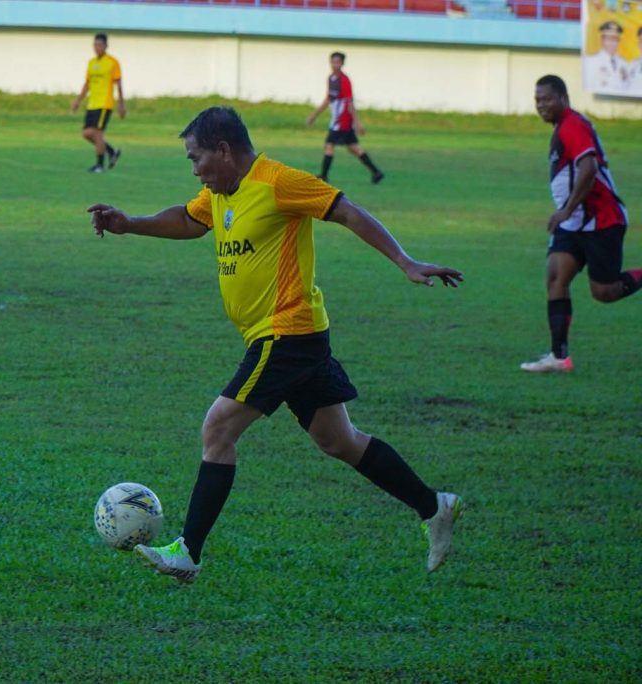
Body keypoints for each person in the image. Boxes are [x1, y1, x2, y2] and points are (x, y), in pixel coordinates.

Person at [88, 106, 463, 583]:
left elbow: (346, 210)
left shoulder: (278, 181)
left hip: (287, 333)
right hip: (286, 335)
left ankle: (187, 552)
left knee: (218, 429)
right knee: (338, 440)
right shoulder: (219, 193)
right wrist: (129, 223)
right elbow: (187, 220)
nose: (194, 168)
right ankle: (434, 506)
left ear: (224, 151)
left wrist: (404, 261)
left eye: (196, 157)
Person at [520, 75, 640, 373]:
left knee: (605, 292)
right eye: (537, 100)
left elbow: (589, 167)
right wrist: (568, 214)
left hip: (602, 220)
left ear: (563, 98)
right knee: (555, 277)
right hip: (574, 223)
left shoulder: (573, 125)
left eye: (547, 99)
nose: (541, 105)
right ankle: (559, 357)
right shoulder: (563, 127)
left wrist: (566, 209)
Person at [305, 52, 383, 184]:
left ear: (342, 63)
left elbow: (349, 102)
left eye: (337, 62)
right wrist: (314, 115)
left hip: (342, 120)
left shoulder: (344, 80)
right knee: (353, 148)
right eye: (333, 61)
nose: (334, 64)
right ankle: (376, 172)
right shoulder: (331, 78)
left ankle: (324, 176)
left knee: (329, 145)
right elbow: (328, 99)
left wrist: (357, 123)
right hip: (336, 120)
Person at [70, 33, 125, 173]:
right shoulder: (91, 63)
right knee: (87, 133)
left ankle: (99, 165)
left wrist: (121, 104)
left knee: (97, 134)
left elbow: (118, 84)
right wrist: (78, 101)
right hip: (92, 104)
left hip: (104, 104)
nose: (97, 47)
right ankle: (112, 152)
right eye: (95, 45)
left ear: (106, 46)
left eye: (100, 44)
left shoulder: (113, 62)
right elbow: (87, 84)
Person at [583, 21, 630, 92]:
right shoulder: (591, 61)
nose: (612, 43)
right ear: (602, 40)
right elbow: (588, 88)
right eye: (608, 39)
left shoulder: (624, 63)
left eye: (615, 40)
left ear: (619, 41)